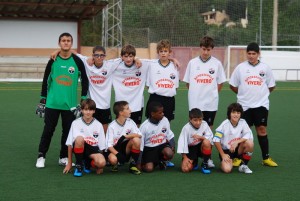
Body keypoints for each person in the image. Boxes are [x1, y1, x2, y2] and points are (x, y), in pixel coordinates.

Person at [36, 32, 88, 168]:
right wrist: (43, 99)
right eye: (63, 40)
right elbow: (46, 80)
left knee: (67, 132)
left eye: (68, 40)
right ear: (59, 43)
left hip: (69, 105)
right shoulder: (52, 60)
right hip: (52, 103)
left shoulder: (77, 61)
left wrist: (83, 99)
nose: (66, 43)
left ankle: (63, 157)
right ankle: (41, 156)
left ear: (71, 43)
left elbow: (85, 80)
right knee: (48, 130)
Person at [229, 42, 278, 167]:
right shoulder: (240, 68)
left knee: (261, 130)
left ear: (258, 54)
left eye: (253, 54)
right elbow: (232, 85)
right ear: (246, 54)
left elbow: (271, 86)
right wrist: (242, 94)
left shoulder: (265, 68)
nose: (251, 56)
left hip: (261, 105)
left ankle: (266, 158)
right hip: (244, 106)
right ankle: (237, 158)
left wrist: (262, 95)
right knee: (242, 132)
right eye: (249, 53)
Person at [183, 36, 226, 168]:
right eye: (203, 49)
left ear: (212, 49)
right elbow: (188, 84)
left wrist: (211, 94)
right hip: (195, 103)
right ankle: (194, 157)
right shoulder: (192, 63)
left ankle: (208, 158)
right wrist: (197, 94)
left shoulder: (217, 64)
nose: (206, 52)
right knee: (194, 131)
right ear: (200, 48)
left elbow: (220, 83)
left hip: (210, 104)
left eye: (208, 49)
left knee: (208, 131)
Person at [63, 99, 106, 177]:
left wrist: (100, 167)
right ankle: (79, 166)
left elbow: (102, 146)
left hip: (92, 150)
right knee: (79, 138)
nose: (88, 112)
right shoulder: (75, 123)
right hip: (79, 145)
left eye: (90, 110)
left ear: (94, 111)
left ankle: (87, 163)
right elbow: (69, 144)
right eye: (86, 109)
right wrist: (69, 163)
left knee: (102, 163)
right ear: (82, 110)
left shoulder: (98, 125)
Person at [112, 45, 150, 127]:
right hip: (121, 105)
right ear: (121, 57)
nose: (128, 59)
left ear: (134, 56)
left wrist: (172, 59)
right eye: (125, 56)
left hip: (137, 104)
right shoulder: (115, 66)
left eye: (131, 56)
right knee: (121, 127)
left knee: (136, 128)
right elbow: (103, 63)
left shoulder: (142, 65)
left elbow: (158, 61)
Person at [213, 103, 254, 174]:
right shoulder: (224, 125)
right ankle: (226, 162)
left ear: (241, 114)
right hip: (227, 152)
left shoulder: (243, 122)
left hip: (238, 149)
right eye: (233, 112)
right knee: (227, 170)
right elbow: (215, 140)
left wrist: (237, 142)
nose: (236, 115)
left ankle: (243, 165)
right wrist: (222, 154)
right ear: (229, 114)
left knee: (250, 143)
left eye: (238, 112)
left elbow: (248, 134)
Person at [145, 39, 179, 123]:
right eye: (161, 51)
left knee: (166, 124)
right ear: (158, 52)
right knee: (152, 124)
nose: (163, 53)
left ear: (169, 52)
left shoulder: (175, 66)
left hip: (169, 100)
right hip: (155, 98)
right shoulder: (152, 64)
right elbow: (148, 85)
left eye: (165, 51)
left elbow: (176, 87)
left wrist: (172, 60)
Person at [106, 101, 142, 175]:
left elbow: (139, 135)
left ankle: (133, 165)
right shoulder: (112, 126)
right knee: (113, 160)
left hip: (125, 148)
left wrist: (126, 136)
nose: (130, 110)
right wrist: (118, 155)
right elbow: (109, 146)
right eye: (127, 109)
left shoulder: (130, 122)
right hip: (115, 149)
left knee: (136, 140)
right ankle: (115, 164)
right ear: (121, 112)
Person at [139, 101, 175, 172]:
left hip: (161, 146)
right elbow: (141, 145)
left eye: (162, 112)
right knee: (149, 169)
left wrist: (172, 146)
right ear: (152, 114)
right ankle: (156, 162)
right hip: (149, 149)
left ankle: (163, 160)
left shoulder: (165, 120)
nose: (163, 114)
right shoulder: (144, 127)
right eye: (160, 113)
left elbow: (169, 134)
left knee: (169, 153)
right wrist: (138, 162)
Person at [177, 108, 213, 174]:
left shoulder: (204, 124)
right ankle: (195, 161)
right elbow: (182, 143)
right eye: (195, 120)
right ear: (190, 119)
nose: (198, 122)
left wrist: (201, 137)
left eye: (200, 120)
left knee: (207, 142)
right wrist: (184, 157)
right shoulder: (186, 128)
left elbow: (210, 137)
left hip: (201, 147)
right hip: (191, 149)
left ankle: (205, 164)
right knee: (185, 169)